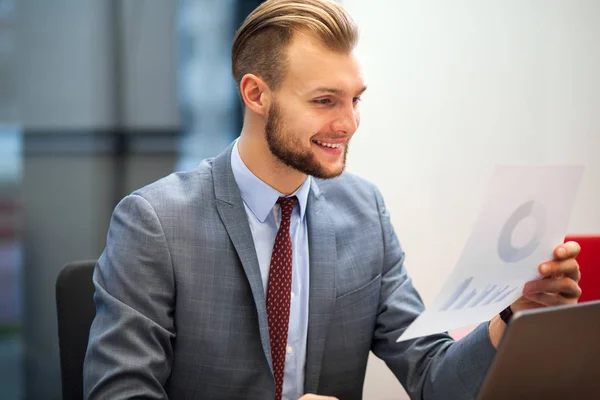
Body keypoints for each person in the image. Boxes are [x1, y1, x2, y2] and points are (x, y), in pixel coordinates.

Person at [83, 1, 582, 399]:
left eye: (355, 99)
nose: (348, 123)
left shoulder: (364, 212)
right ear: (257, 95)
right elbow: (119, 393)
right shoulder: (155, 221)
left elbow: (433, 379)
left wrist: (514, 313)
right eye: (325, 101)